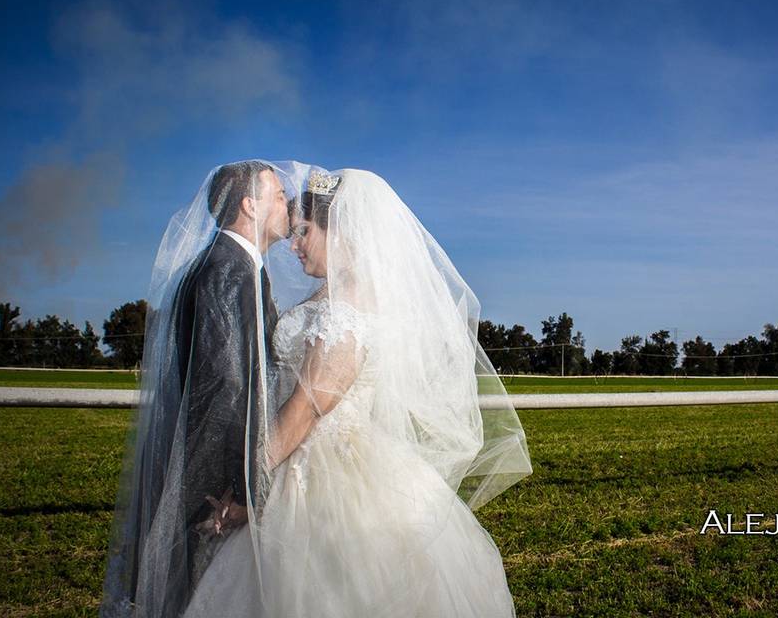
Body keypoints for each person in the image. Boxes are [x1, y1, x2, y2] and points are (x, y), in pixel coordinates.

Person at [183, 167, 532, 617]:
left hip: (325, 474)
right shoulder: (330, 298)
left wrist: (249, 489)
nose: (294, 244)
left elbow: (307, 409)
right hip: (302, 458)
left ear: (342, 233)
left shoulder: (349, 309)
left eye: (305, 232)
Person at [100, 160, 313, 618]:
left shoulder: (238, 267)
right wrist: (244, 482)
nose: (287, 205)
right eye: (278, 195)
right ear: (249, 205)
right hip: (216, 481)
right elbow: (223, 389)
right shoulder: (224, 273)